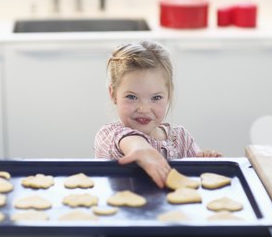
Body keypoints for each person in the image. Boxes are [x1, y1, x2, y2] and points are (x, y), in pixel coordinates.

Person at [94, 41, 222, 189]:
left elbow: (194, 177)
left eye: (156, 98)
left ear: (168, 95)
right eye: (131, 97)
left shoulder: (181, 138)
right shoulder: (108, 135)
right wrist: (141, 150)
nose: (144, 109)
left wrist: (206, 161)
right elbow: (130, 141)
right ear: (113, 94)